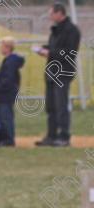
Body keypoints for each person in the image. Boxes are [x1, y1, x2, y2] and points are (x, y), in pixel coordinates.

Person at [34, 3, 80, 147]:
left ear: (60, 13)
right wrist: (44, 49)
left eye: (51, 14)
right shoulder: (55, 30)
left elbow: (70, 53)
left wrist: (50, 53)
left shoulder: (72, 30)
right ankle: (51, 136)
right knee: (51, 106)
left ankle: (64, 136)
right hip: (51, 71)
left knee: (61, 105)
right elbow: (56, 48)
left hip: (63, 72)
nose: (50, 17)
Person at [0, 37, 25, 147]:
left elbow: (8, 78)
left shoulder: (10, 61)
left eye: (1, 46)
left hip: (5, 94)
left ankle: (8, 140)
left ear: (7, 47)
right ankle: (4, 139)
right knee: (3, 115)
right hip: (5, 92)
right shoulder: (9, 60)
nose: (0, 48)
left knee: (5, 116)